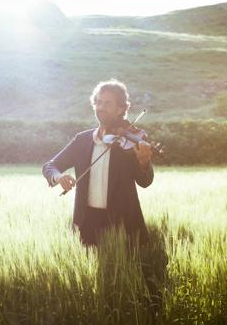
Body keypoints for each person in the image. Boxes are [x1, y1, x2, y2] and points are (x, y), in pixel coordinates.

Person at [42, 79, 166, 296]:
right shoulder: (82, 140)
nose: (101, 107)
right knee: (93, 288)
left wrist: (144, 162)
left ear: (121, 108)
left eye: (108, 103)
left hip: (124, 226)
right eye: (98, 102)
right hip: (88, 223)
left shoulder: (129, 141)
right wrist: (58, 176)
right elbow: (50, 166)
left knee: (128, 289)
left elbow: (145, 181)